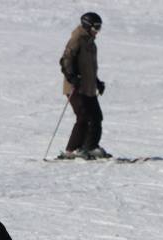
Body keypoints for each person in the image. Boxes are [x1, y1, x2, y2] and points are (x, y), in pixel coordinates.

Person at [58, 11, 109, 160]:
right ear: (87, 26)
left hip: (88, 86)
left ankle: (90, 147)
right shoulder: (77, 39)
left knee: (96, 117)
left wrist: (97, 82)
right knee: (83, 117)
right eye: (96, 27)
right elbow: (65, 60)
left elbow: (89, 67)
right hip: (75, 86)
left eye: (100, 27)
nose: (98, 31)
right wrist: (71, 77)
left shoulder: (91, 42)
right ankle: (72, 150)